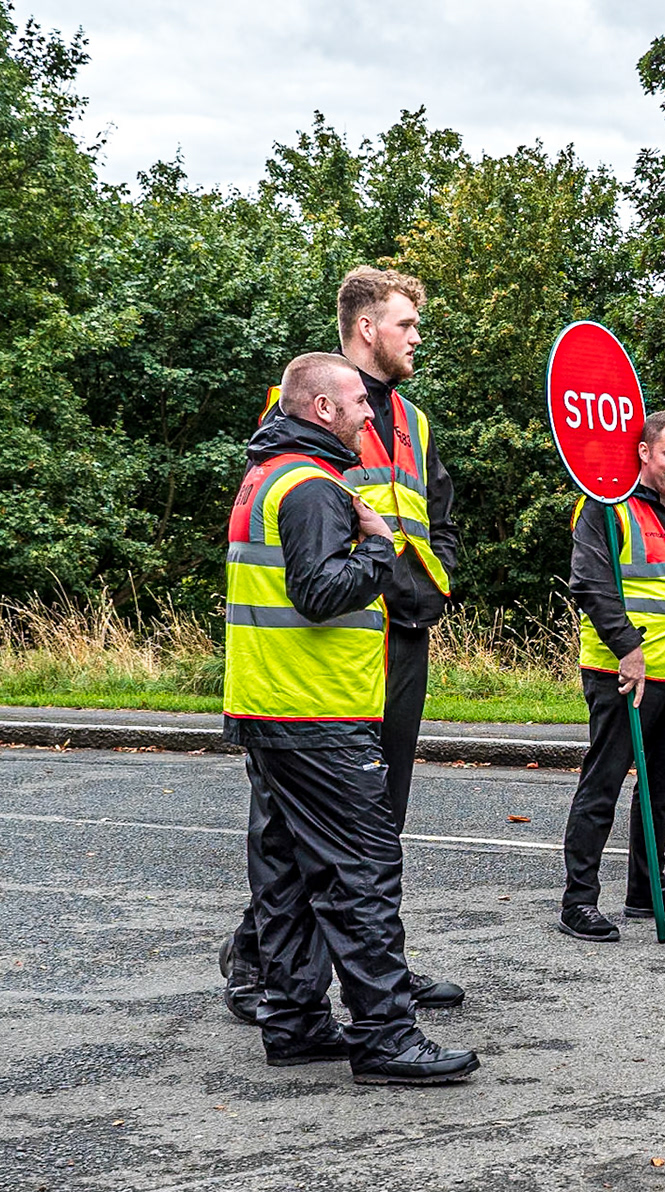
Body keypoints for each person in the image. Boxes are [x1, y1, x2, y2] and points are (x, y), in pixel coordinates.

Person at [222, 351, 478, 1084]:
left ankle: (296, 1022)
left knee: (288, 876)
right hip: (318, 713)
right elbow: (320, 592)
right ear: (323, 409)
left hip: (273, 705)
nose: (371, 413)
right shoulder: (311, 486)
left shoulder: (269, 473)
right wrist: (380, 546)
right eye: (359, 403)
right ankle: (386, 1037)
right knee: (361, 870)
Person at [560, 410, 665, 941]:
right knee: (602, 784)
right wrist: (628, 647)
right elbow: (590, 583)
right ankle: (579, 900)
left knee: (663, 789)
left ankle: (646, 890)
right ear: (644, 452)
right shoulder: (606, 507)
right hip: (625, 672)